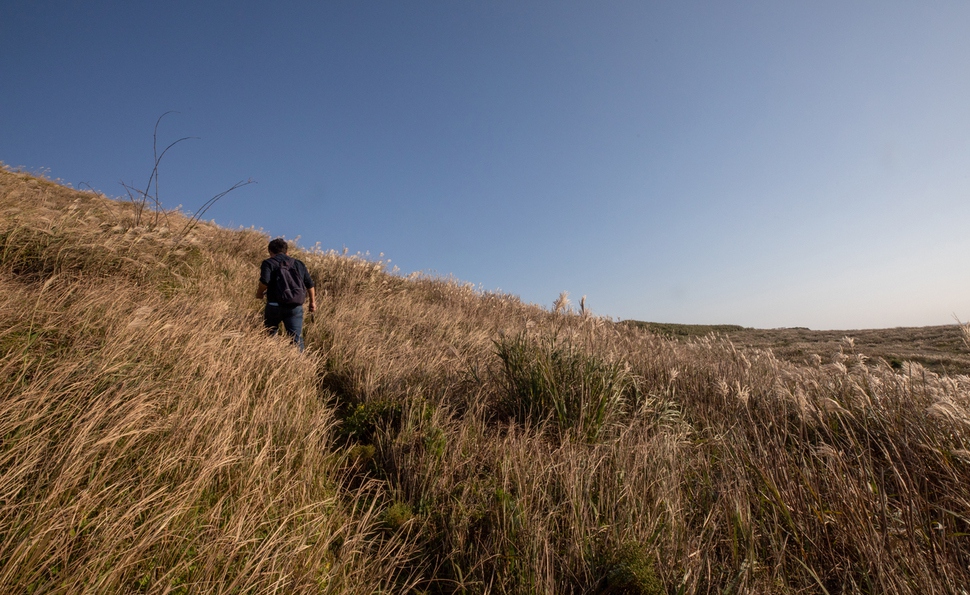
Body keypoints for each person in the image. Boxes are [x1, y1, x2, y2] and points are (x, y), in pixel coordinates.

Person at [256, 238, 316, 350]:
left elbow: (264, 281)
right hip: (295, 307)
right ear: (287, 251)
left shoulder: (268, 263)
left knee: (270, 335)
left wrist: (259, 293)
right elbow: (310, 284)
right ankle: (299, 364)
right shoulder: (298, 264)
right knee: (296, 340)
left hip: (274, 306)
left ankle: (272, 359)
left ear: (270, 252)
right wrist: (312, 302)